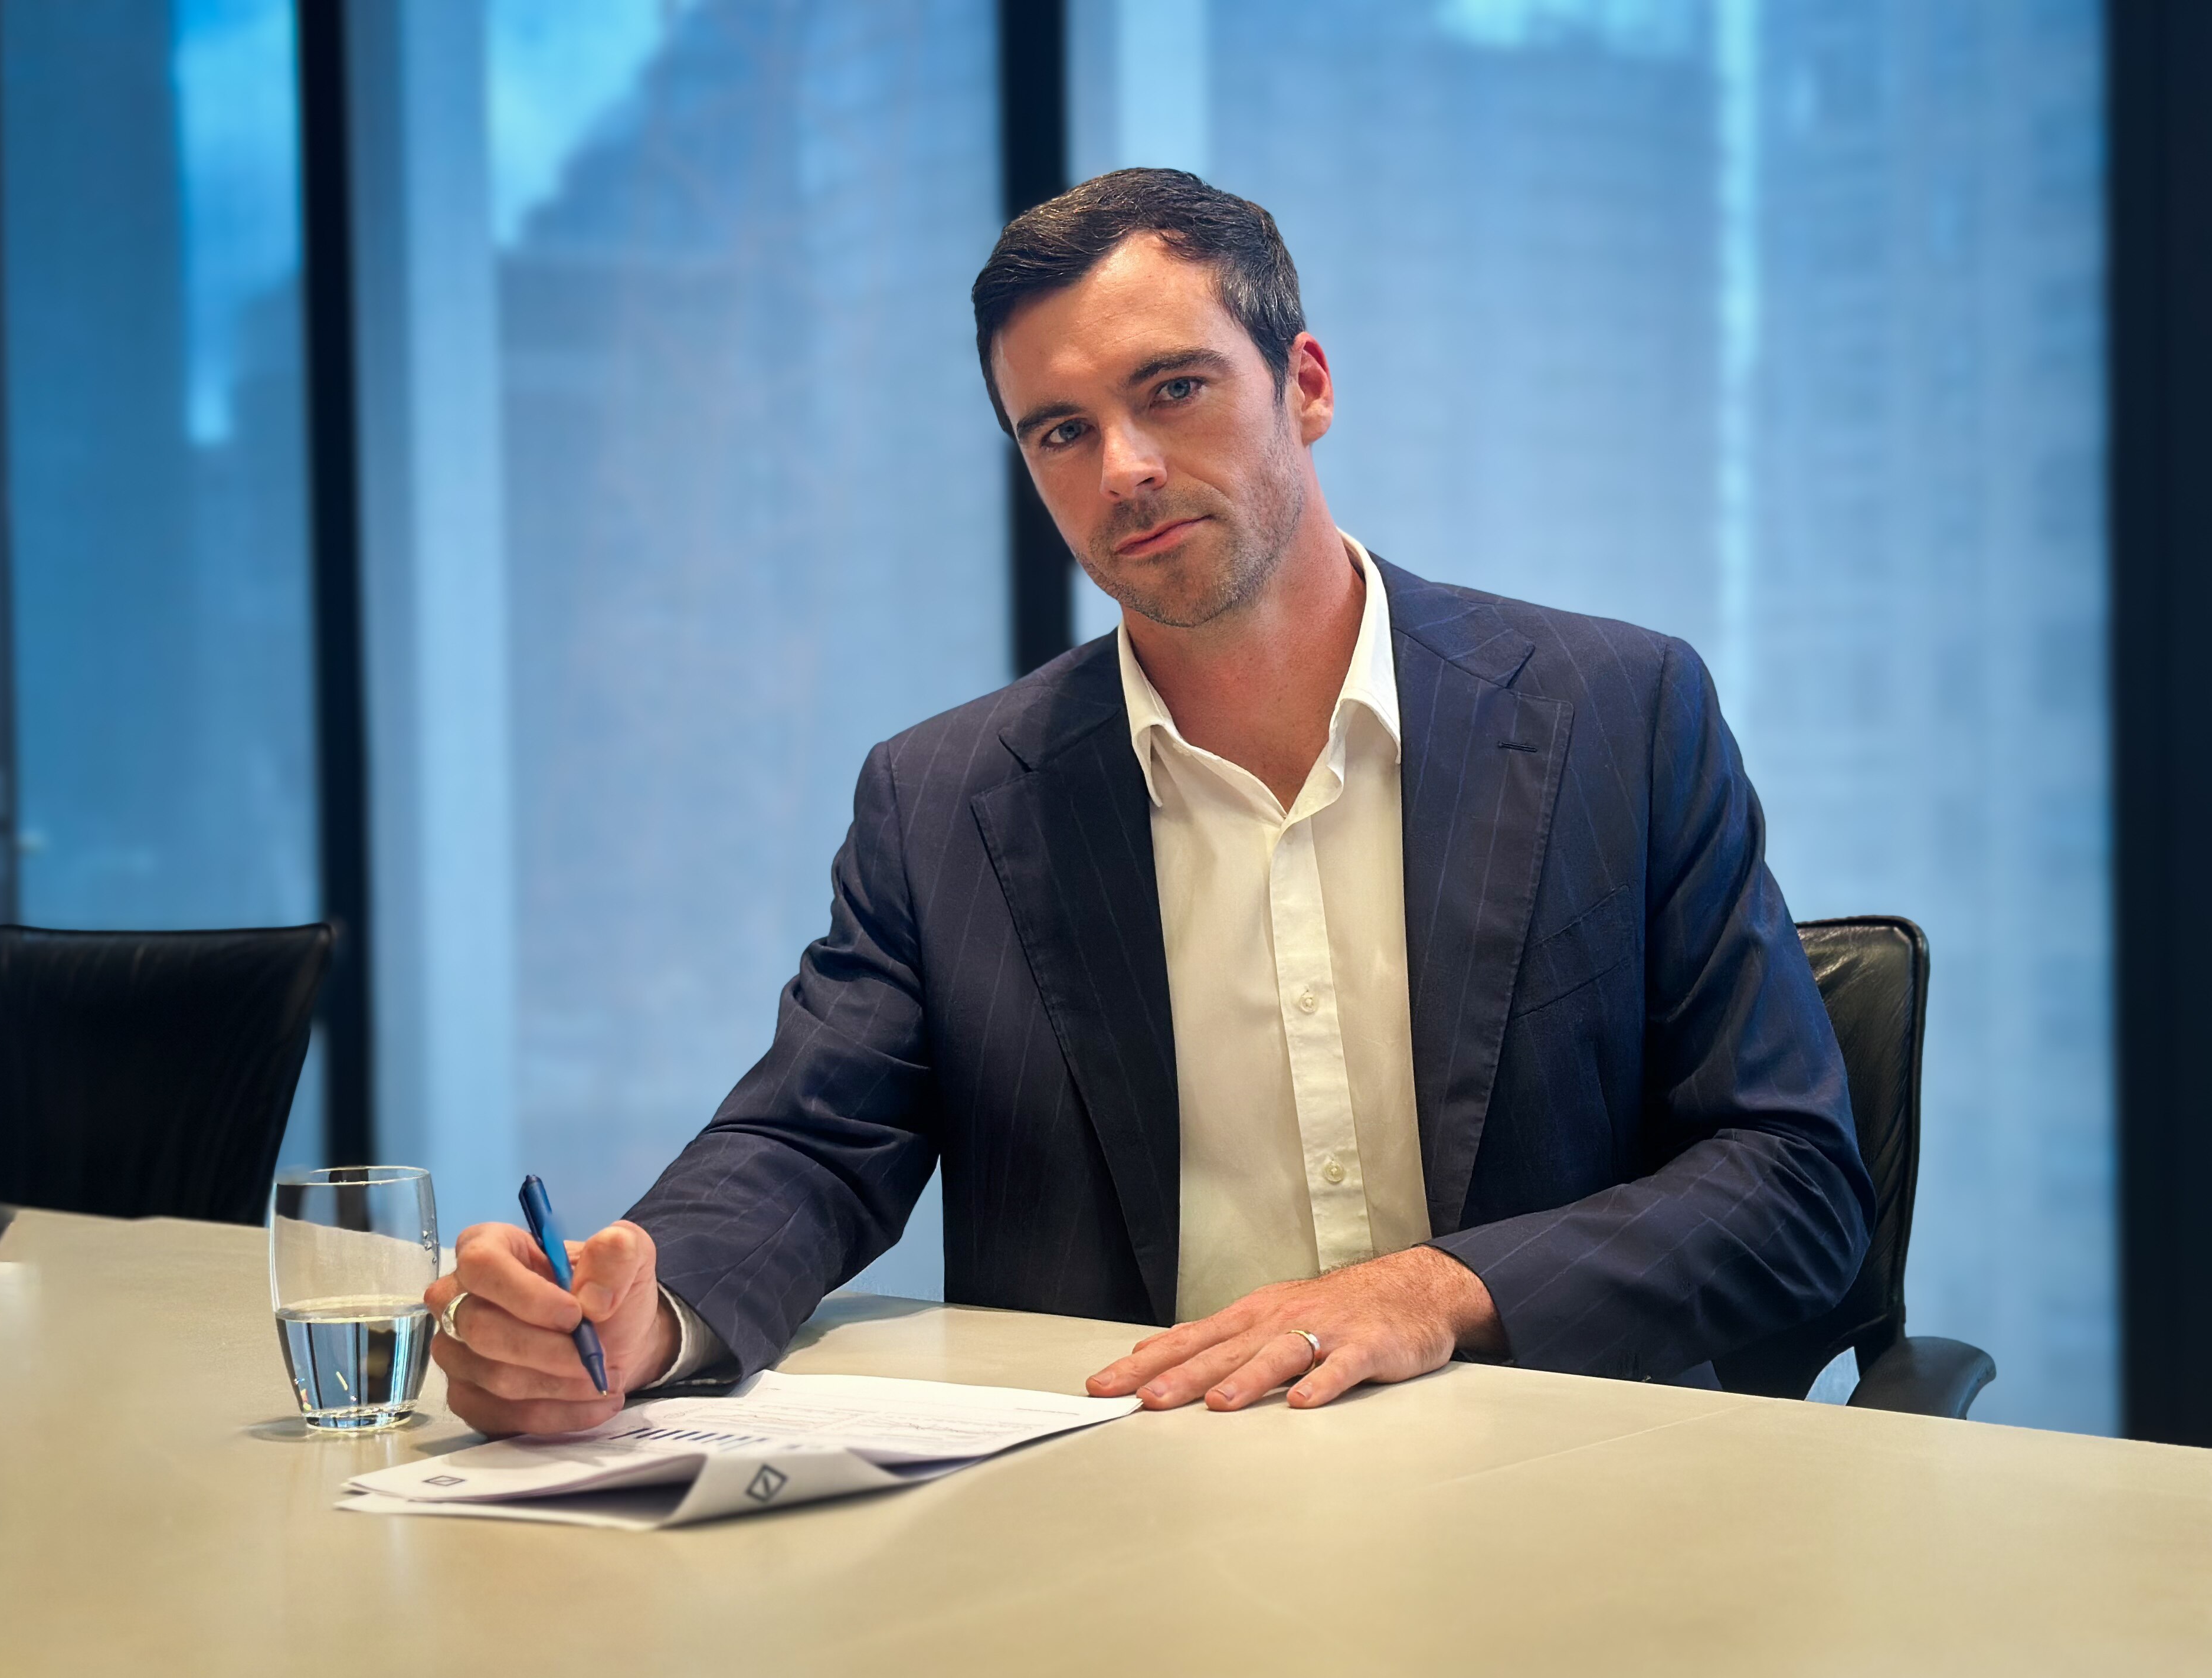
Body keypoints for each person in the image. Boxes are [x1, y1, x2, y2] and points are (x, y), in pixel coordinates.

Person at [428, 169, 1872, 1438]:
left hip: (1544, 1485)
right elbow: (809, 1143)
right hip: (1125, 1510)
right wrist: (646, 1309)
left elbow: (1793, 1184)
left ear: (1304, 384)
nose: (1122, 467)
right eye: (1059, 431)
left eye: (1173, 389)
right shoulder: (945, 803)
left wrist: (1437, 1291)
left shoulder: (1615, 714)